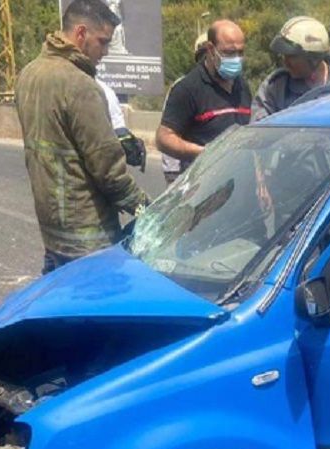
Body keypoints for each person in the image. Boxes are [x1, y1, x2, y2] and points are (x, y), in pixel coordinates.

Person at [15, 0, 149, 274]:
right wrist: (145, 208)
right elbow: (108, 170)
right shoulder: (81, 86)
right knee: (97, 298)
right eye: (103, 42)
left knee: (60, 296)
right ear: (80, 33)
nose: (105, 52)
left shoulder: (28, 74)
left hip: (53, 232)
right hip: (89, 237)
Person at [156, 20, 251, 177]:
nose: (236, 59)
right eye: (229, 53)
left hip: (239, 179)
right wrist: (204, 153)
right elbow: (164, 138)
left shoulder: (242, 86)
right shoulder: (188, 88)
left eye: (240, 53)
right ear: (211, 49)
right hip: (204, 182)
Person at [252, 16, 330, 121]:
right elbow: (258, 126)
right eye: (284, 56)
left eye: (292, 56)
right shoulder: (276, 87)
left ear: (313, 58)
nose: (286, 62)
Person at [160, 33, 209, 184]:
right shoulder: (185, 88)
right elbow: (170, 131)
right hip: (190, 173)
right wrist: (173, 174)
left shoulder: (234, 88)